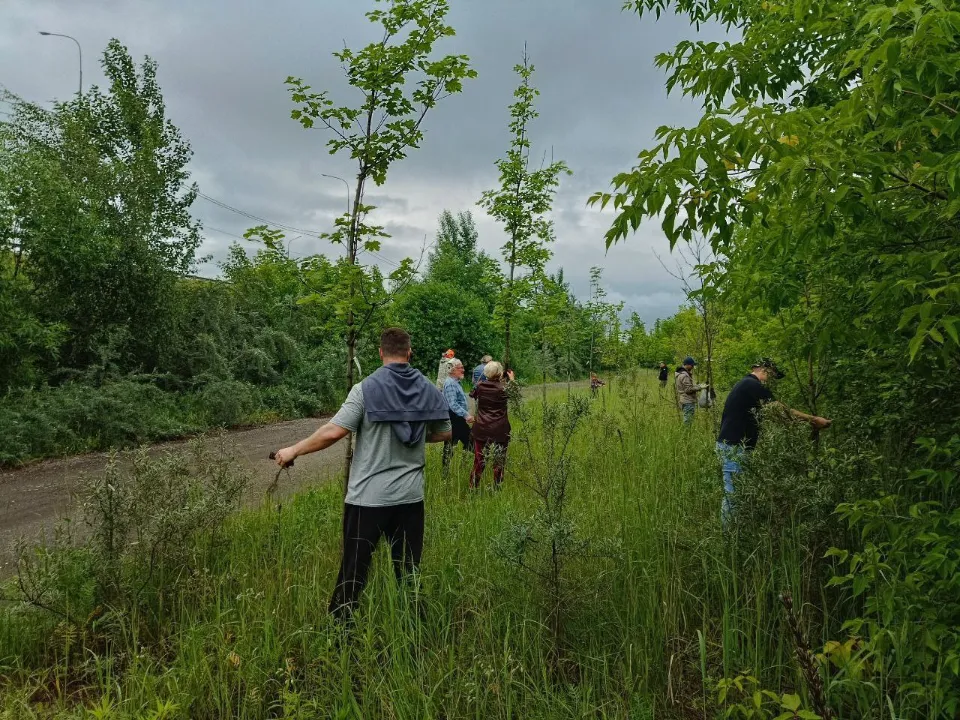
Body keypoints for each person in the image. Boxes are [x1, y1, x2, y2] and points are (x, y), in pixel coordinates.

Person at [272, 328, 451, 621]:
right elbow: (445, 432)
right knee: (408, 571)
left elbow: (334, 431)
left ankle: (340, 634)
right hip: (411, 498)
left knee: (353, 572)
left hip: (368, 499)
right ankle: (415, 630)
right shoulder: (429, 389)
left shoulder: (365, 389)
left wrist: (294, 450)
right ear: (409, 353)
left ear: (381, 353)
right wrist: (419, 438)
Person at [716, 358, 832, 524]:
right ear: (764, 369)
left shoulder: (746, 386)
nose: (771, 380)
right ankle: (728, 534)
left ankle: (735, 529)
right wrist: (813, 420)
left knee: (738, 492)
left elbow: (776, 416)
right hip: (734, 447)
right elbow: (780, 410)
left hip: (734, 446)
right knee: (733, 495)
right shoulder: (752, 384)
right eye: (772, 375)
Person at [469, 361, 514, 489]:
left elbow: (472, 395)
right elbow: (515, 395)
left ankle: (473, 487)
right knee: (499, 461)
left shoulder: (479, 386)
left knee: (479, 460)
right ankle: (497, 486)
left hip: (481, 428)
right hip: (500, 429)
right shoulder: (504, 388)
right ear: (500, 373)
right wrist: (511, 380)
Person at [441, 358, 473, 469]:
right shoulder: (450, 384)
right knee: (454, 445)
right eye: (461, 368)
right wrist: (466, 415)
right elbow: (452, 404)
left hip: (458, 419)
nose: (463, 370)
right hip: (454, 419)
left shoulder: (455, 382)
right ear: (453, 370)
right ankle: (448, 471)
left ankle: (461, 466)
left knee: (466, 443)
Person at [675, 357, 707, 424]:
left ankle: (686, 430)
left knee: (688, 419)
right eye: (692, 365)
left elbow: (688, 387)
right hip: (688, 400)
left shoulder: (682, 373)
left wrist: (698, 386)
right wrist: (699, 387)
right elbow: (688, 390)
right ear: (687, 365)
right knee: (688, 421)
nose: (693, 366)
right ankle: (686, 431)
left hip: (685, 399)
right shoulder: (684, 375)